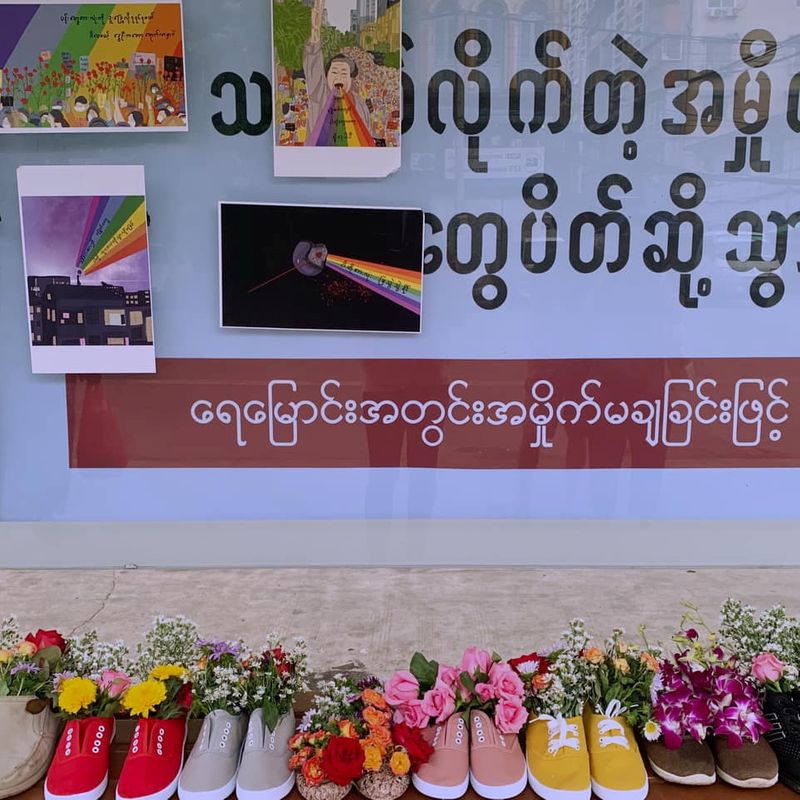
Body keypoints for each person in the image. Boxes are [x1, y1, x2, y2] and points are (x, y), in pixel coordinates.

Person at [302, 0, 372, 142]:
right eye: (334, 72)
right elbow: (313, 66)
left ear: (351, 80)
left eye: (343, 73)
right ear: (326, 76)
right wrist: (315, 33)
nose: (339, 76)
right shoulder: (320, 96)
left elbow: (368, 136)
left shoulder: (360, 104)